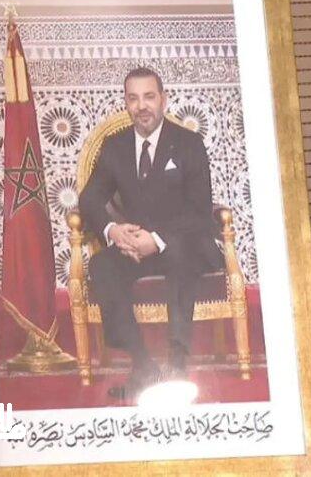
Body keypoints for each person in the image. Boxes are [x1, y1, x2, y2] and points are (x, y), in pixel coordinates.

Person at [79, 67, 220, 399]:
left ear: (163, 100)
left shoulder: (188, 143)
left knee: (180, 255)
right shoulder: (115, 146)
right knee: (102, 265)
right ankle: (143, 365)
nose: (141, 106)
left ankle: (177, 364)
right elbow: (89, 198)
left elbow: (200, 211)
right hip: (135, 248)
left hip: (184, 244)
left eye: (149, 97)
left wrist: (156, 240)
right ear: (126, 103)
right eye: (133, 98)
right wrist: (114, 231)